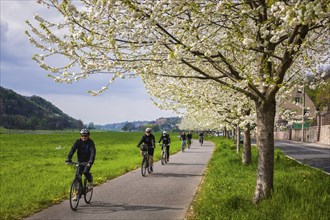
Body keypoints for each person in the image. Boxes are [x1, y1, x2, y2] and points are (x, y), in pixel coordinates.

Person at [66, 128, 96, 200]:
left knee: (85, 172)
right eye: (82, 136)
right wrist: (68, 159)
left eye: (85, 136)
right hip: (80, 161)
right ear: (80, 136)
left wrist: (90, 161)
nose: (84, 137)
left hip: (88, 161)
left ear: (88, 136)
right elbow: (72, 150)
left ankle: (90, 181)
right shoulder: (78, 142)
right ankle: (77, 194)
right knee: (77, 176)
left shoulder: (90, 142)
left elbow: (93, 152)